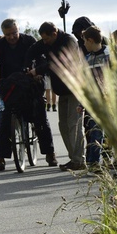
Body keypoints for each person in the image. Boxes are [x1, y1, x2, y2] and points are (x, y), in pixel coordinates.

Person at [0, 19, 56, 171]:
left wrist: (38, 72)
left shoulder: (29, 41)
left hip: (30, 82)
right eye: (8, 35)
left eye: (14, 33)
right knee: (5, 121)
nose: (12, 37)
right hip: (10, 86)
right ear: (3, 34)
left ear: (18, 29)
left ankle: (49, 153)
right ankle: (1, 157)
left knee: (40, 117)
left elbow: (40, 58)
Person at [26, 21, 86, 171]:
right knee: (63, 126)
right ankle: (74, 159)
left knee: (74, 125)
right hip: (62, 90)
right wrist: (28, 66)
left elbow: (57, 62)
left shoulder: (69, 41)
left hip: (75, 89)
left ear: (54, 33)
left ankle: (79, 160)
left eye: (46, 39)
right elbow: (31, 51)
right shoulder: (47, 42)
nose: (44, 42)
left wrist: (37, 71)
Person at [82, 25, 111, 170]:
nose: (84, 45)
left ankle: (109, 159)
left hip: (110, 101)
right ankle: (93, 163)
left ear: (91, 40)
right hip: (93, 102)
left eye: (85, 42)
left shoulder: (109, 56)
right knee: (95, 132)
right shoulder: (87, 59)